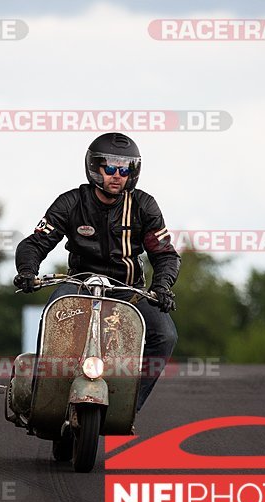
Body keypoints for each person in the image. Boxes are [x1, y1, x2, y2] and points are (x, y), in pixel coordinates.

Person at [13, 132, 181, 411]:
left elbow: (164, 254)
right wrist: (27, 271)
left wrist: (161, 286)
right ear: (95, 168)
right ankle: (40, 396)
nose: (117, 175)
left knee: (166, 335)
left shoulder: (144, 206)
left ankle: (127, 405)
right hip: (78, 285)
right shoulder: (70, 202)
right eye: (110, 168)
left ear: (133, 172)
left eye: (125, 169)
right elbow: (35, 243)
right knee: (51, 316)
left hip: (129, 291)